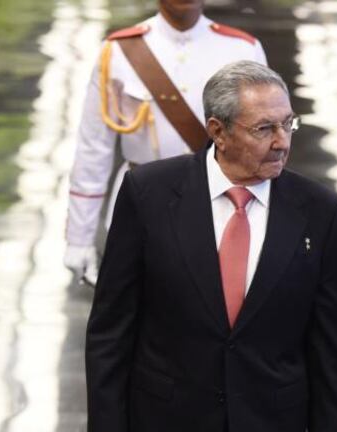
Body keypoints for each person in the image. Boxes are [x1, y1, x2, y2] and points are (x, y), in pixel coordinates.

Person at [85, 61, 337, 432]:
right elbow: (112, 323)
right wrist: (107, 426)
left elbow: (331, 339)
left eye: (287, 124)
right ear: (217, 131)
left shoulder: (320, 210)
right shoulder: (149, 194)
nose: (281, 142)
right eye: (264, 128)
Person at [64, 0, 267, 284]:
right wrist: (78, 238)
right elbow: (93, 148)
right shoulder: (119, 51)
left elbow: (263, 146)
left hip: (219, 210)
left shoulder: (243, 50)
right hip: (139, 209)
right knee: (136, 318)